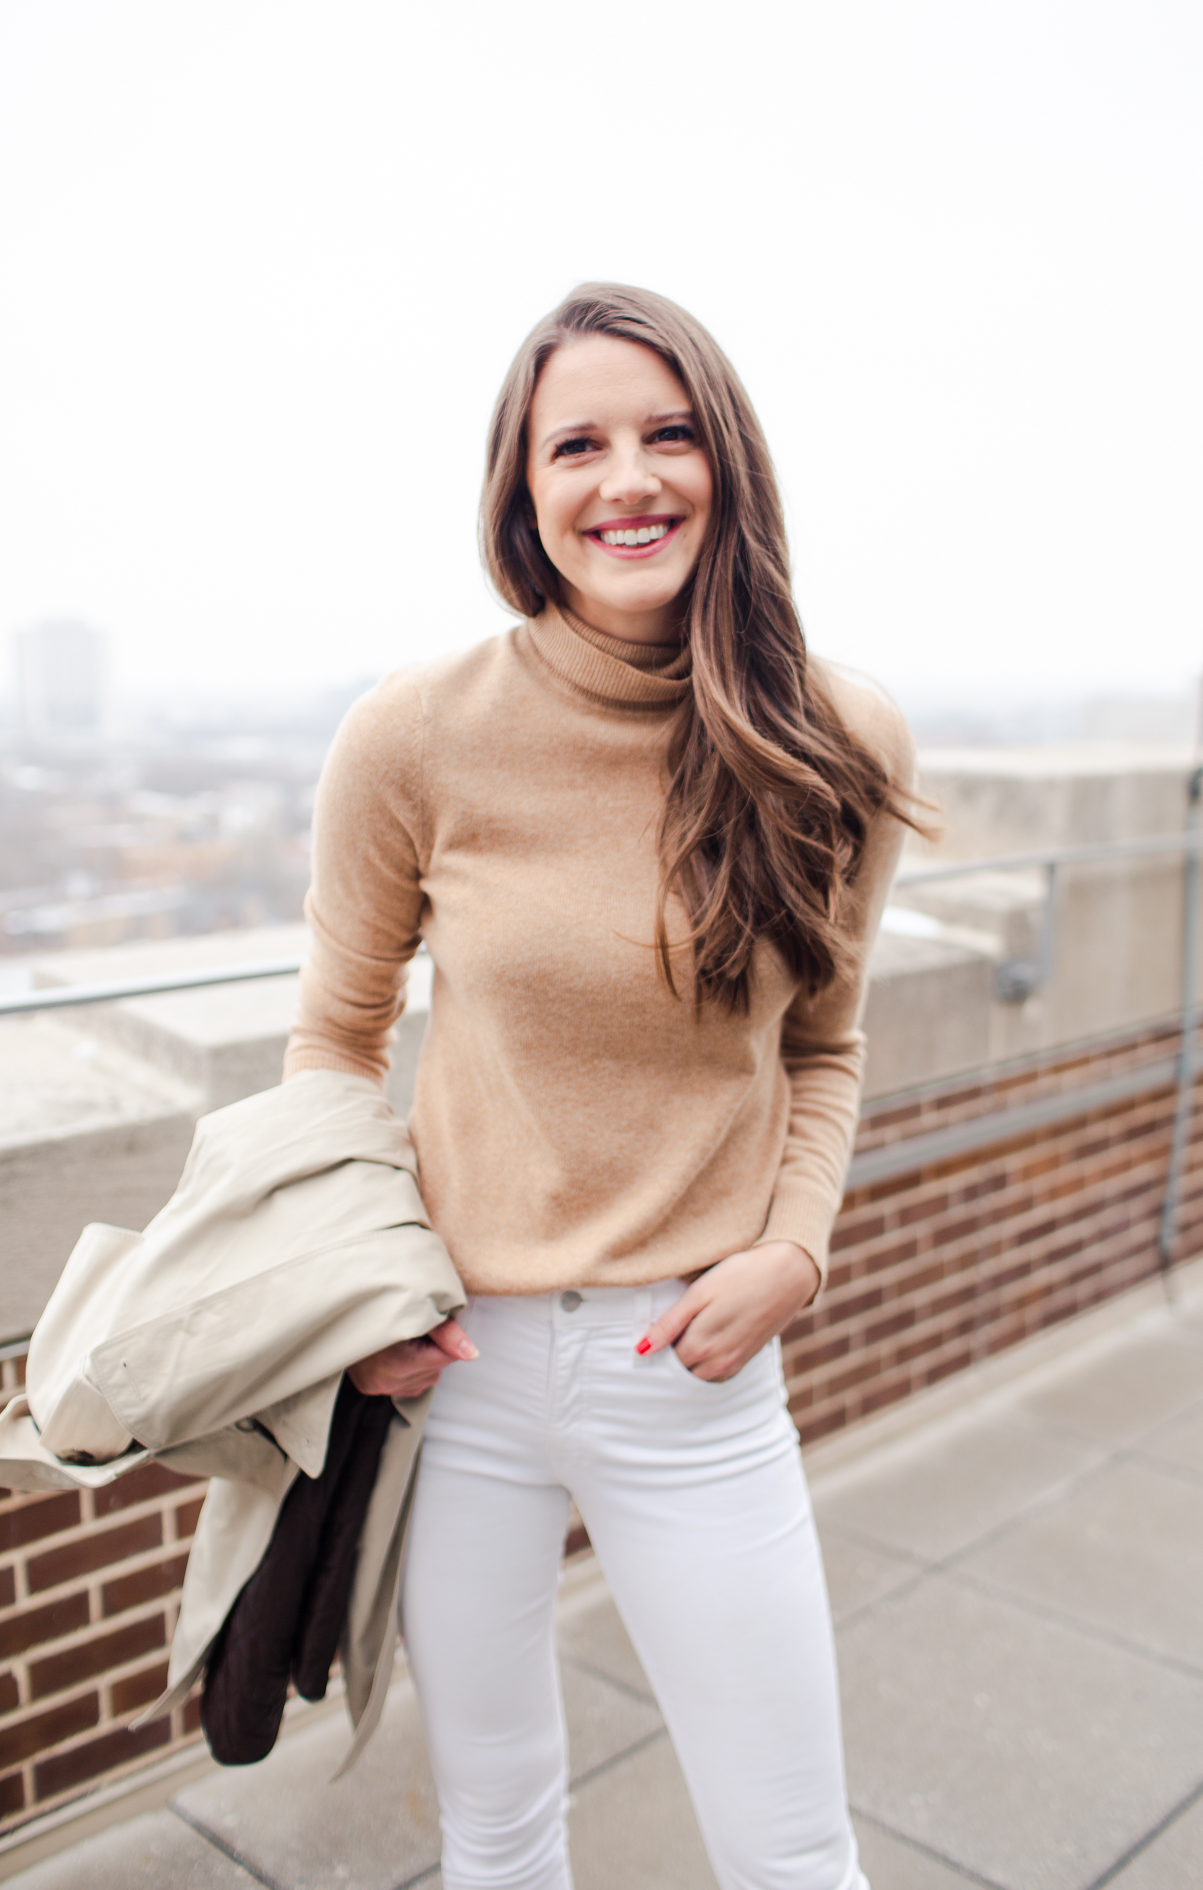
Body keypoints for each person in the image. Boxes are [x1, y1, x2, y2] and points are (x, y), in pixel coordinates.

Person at [283, 283, 919, 1890]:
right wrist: (360, 1290)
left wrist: (798, 1246)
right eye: (578, 443)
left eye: (669, 432)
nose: (625, 477)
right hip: (457, 1372)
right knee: (496, 1831)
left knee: (789, 1849)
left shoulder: (834, 738)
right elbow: (334, 1045)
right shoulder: (414, 736)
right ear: (524, 489)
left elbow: (824, 1044)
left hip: (692, 1377)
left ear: (729, 464)